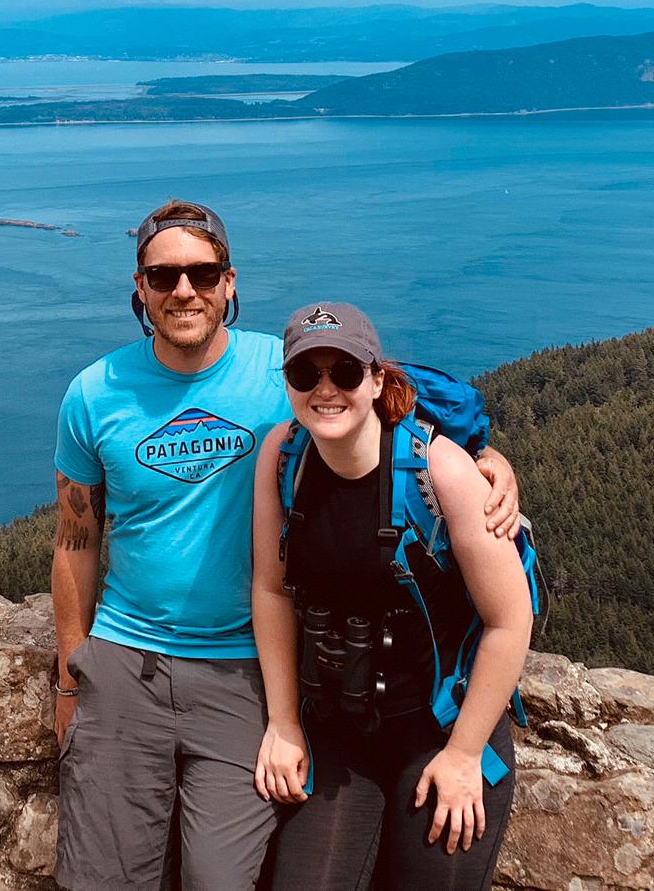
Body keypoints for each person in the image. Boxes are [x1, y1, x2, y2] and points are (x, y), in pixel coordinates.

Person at [52, 202, 521, 891]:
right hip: (128, 664)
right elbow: (76, 539)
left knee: (223, 879)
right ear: (141, 288)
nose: (185, 290)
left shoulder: (289, 370)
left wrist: (488, 461)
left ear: (230, 282)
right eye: (165, 276)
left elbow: (390, 421)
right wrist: (70, 674)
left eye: (203, 273)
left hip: (242, 671)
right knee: (101, 879)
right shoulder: (94, 394)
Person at [250, 302, 533, 891]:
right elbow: (271, 589)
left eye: (345, 373)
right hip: (338, 732)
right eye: (306, 375)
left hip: (439, 728)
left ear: (377, 380)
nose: (326, 390)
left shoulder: (439, 471)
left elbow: (510, 620)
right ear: (289, 385)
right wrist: (282, 723)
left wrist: (462, 755)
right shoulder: (283, 457)